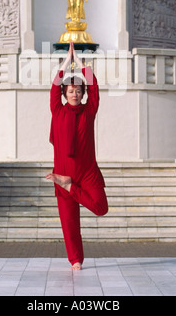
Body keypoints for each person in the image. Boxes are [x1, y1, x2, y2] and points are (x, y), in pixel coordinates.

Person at [46, 42, 108, 270]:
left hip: (87, 172)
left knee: (101, 207)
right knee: (69, 222)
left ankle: (69, 187)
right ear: (64, 94)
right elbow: (53, 87)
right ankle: (75, 260)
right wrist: (65, 63)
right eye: (70, 91)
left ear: (83, 94)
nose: (74, 93)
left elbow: (96, 89)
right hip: (63, 170)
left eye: (78, 91)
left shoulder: (89, 110)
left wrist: (81, 64)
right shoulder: (58, 109)